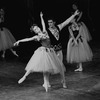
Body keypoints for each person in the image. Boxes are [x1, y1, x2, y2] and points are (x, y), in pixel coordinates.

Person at [14, 12, 67, 92]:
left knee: (53, 67)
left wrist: (41, 17)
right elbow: (28, 39)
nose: (37, 29)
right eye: (35, 29)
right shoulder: (37, 36)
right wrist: (19, 41)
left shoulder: (45, 31)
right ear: (34, 32)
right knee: (34, 65)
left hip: (51, 51)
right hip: (43, 51)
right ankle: (25, 76)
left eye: (37, 27)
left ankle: (54, 82)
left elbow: (43, 25)